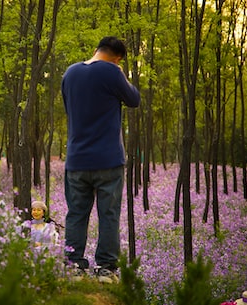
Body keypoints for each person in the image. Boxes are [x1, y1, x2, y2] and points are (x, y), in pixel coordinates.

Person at [61, 36, 141, 283]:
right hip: (108, 160)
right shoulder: (111, 72)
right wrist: (119, 73)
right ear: (117, 58)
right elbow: (134, 100)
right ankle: (106, 269)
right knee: (108, 215)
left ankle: (74, 266)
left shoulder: (69, 73)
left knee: (76, 214)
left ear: (97, 49)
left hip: (76, 159)